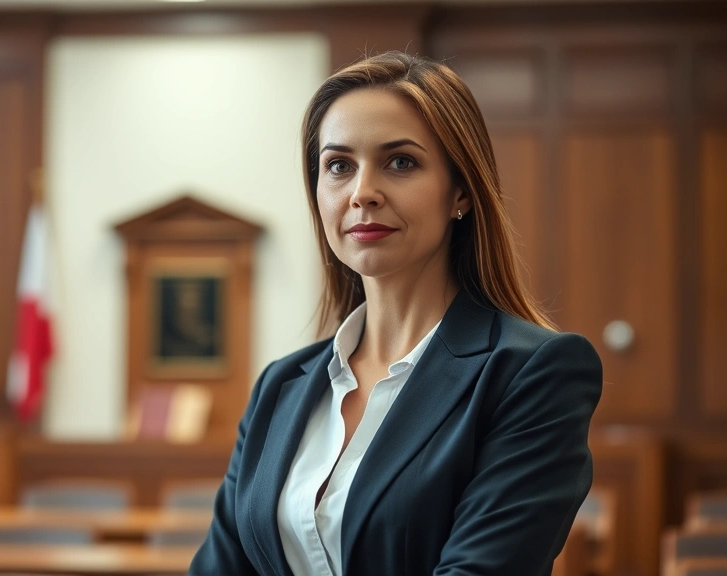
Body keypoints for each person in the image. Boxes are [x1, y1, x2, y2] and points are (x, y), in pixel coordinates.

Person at [189, 51, 602, 576]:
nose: (362, 193)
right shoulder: (280, 387)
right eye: (339, 166)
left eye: (400, 162)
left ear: (460, 191)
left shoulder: (533, 374)